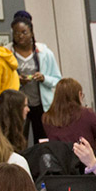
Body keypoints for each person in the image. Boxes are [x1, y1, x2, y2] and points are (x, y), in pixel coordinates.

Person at [8, 15, 62, 143]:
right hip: (18, 105)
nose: (20, 36)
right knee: (18, 140)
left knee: (43, 140)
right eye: (16, 33)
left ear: (31, 32)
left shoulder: (44, 53)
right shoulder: (7, 53)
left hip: (41, 105)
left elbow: (57, 79)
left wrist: (44, 78)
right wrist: (17, 81)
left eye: (24, 32)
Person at [41, 77, 96, 145]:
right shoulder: (87, 113)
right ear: (79, 94)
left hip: (59, 155)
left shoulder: (46, 118)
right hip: (85, 154)